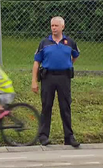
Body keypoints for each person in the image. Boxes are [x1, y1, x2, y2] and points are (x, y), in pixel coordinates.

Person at [31, 16, 80, 147]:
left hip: (64, 77)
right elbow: (36, 62)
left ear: (62, 27)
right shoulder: (45, 43)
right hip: (48, 77)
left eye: (56, 26)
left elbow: (74, 57)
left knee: (65, 107)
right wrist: (34, 81)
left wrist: (67, 64)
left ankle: (69, 136)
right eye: (52, 26)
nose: (53, 28)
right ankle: (43, 136)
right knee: (46, 106)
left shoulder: (69, 42)